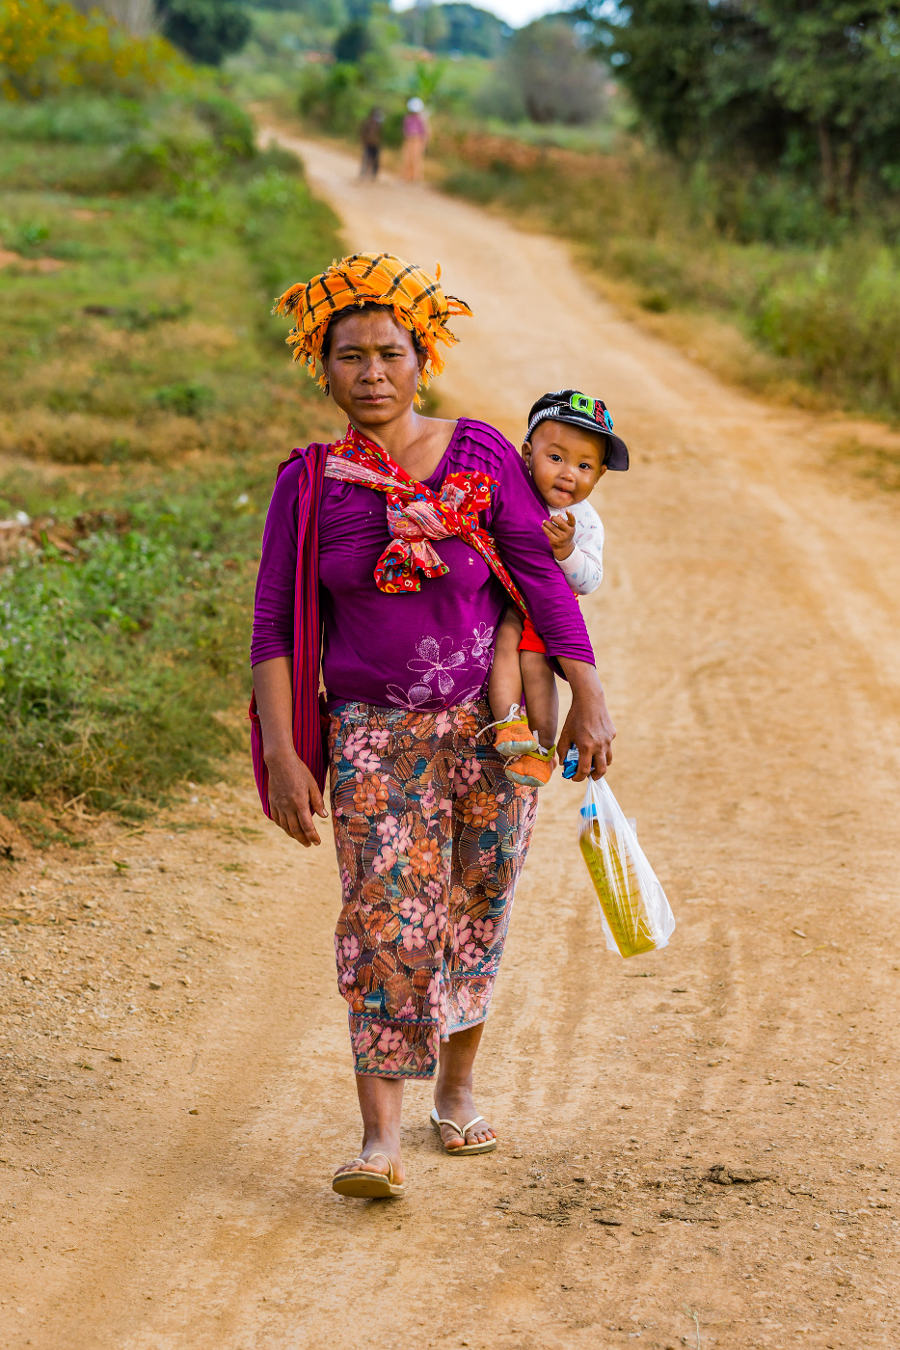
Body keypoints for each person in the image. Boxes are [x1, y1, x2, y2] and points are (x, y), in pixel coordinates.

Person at [249, 252, 616, 1200]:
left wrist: (589, 691)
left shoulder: (484, 454)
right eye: (349, 356)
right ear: (321, 369)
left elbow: (537, 574)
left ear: (423, 360)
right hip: (373, 737)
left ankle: (454, 1089)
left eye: (389, 353)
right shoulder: (310, 483)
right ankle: (380, 1141)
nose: (371, 373)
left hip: (497, 734)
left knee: (475, 906)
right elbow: (273, 628)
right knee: (385, 922)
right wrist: (288, 755)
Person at [487, 389, 629, 787]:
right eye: (556, 458)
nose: (569, 473)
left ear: (599, 475)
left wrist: (566, 551)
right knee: (503, 646)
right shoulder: (511, 492)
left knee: (534, 665)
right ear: (527, 454)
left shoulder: (584, 521)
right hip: (506, 602)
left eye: (585, 466)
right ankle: (509, 727)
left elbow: (591, 580)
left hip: (546, 610)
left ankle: (542, 748)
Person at [401, 96, 428, 183]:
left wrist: (424, 143)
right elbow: (405, 130)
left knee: (416, 160)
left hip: (417, 140)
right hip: (409, 140)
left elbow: (425, 131)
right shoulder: (408, 118)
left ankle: (416, 178)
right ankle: (407, 177)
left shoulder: (422, 119)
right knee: (407, 159)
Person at [358, 106, 383, 180]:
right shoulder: (367, 123)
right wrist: (363, 142)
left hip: (376, 144)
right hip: (368, 143)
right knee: (366, 158)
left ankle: (374, 174)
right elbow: (363, 133)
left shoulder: (379, 124)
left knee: (375, 159)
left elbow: (380, 134)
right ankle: (364, 173)